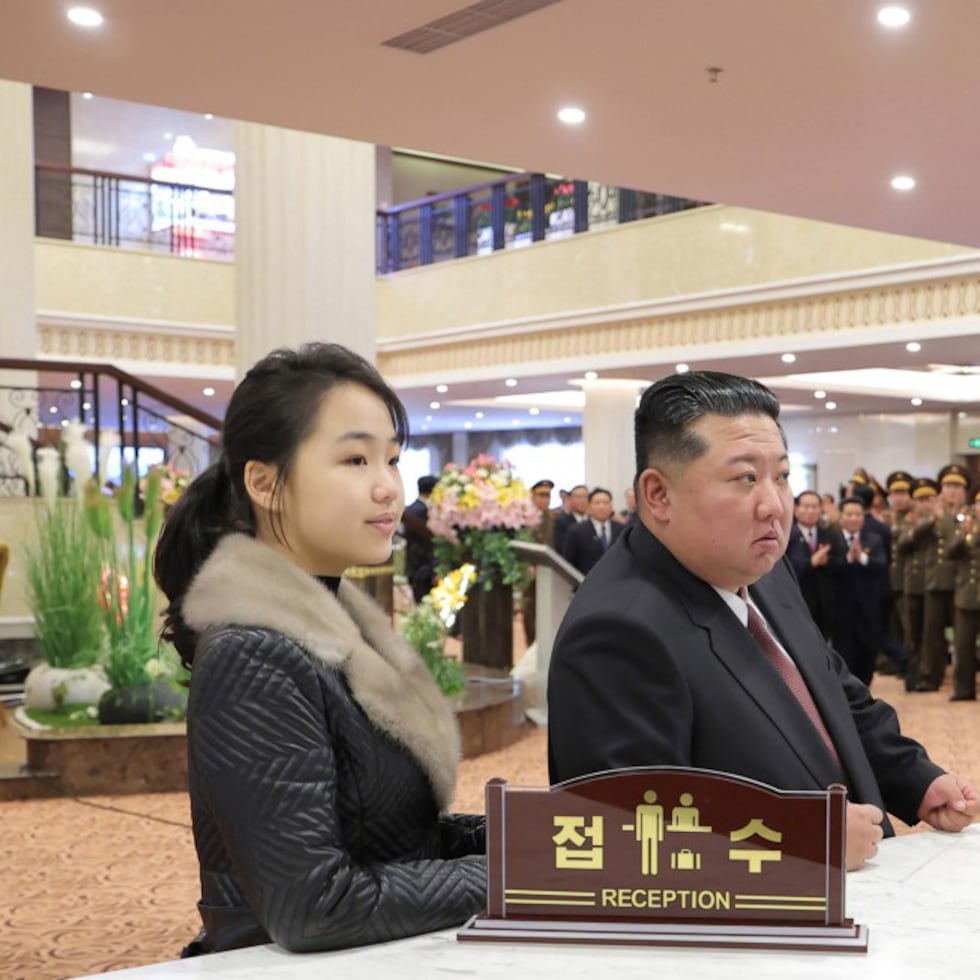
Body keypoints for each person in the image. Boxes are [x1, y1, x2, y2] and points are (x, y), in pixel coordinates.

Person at [548, 370, 977, 873]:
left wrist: (915, 777)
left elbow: (836, 695)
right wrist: (802, 840)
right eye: (745, 478)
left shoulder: (763, 570)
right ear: (658, 495)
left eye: (782, 476)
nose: (774, 505)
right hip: (757, 936)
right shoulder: (615, 633)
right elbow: (627, 839)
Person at [153, 343, 485, 956]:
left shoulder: (337, 633)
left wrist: (541, 841)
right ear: (265, 483)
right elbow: (314, 904)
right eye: (356, 459)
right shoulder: (253, 654)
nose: (388, 487)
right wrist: (525, 876)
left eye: (392, 458)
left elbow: (389, 837)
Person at [831, 496, 886, 685]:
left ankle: (864, 692)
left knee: (868, 654)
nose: (853, 518)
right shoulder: (832, 538)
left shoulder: (874, 539)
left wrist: (861, 557)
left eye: (858, 514)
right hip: (840, 611)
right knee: (844, 656)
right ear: (841, 516)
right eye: (849, 514)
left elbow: (881, 564)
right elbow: (828, 567)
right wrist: (847, 558)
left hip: (867, 609)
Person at [786, 489, 844, 640]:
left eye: (815, 506)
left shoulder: (831, 534)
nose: (811, 510)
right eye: (806, 506)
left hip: (826, 603)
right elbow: (786, 569)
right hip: (798, 601)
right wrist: (811, 562)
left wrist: (827, 561)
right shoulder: (786, 536)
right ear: (796, 509)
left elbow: (842, 564)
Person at [562, 487, 624, 576]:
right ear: (589, 506)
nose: (601, 507)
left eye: (606, 503)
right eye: (597, 503)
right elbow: (568, 563)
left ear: (611, 506)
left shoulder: (622, 530)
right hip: (586, 583)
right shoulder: (576, 531)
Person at [402, 474, 438, 603]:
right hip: (424, 568)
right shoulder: (424, 511)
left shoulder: (410, 509)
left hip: (413, 564)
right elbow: (429, 542)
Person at [553, 483, 589, 556]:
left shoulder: (593, 520)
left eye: (585, 497)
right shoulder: (562, 521)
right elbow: (561, 549)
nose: (582, 500)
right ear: (570, 499)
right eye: (578, 497)